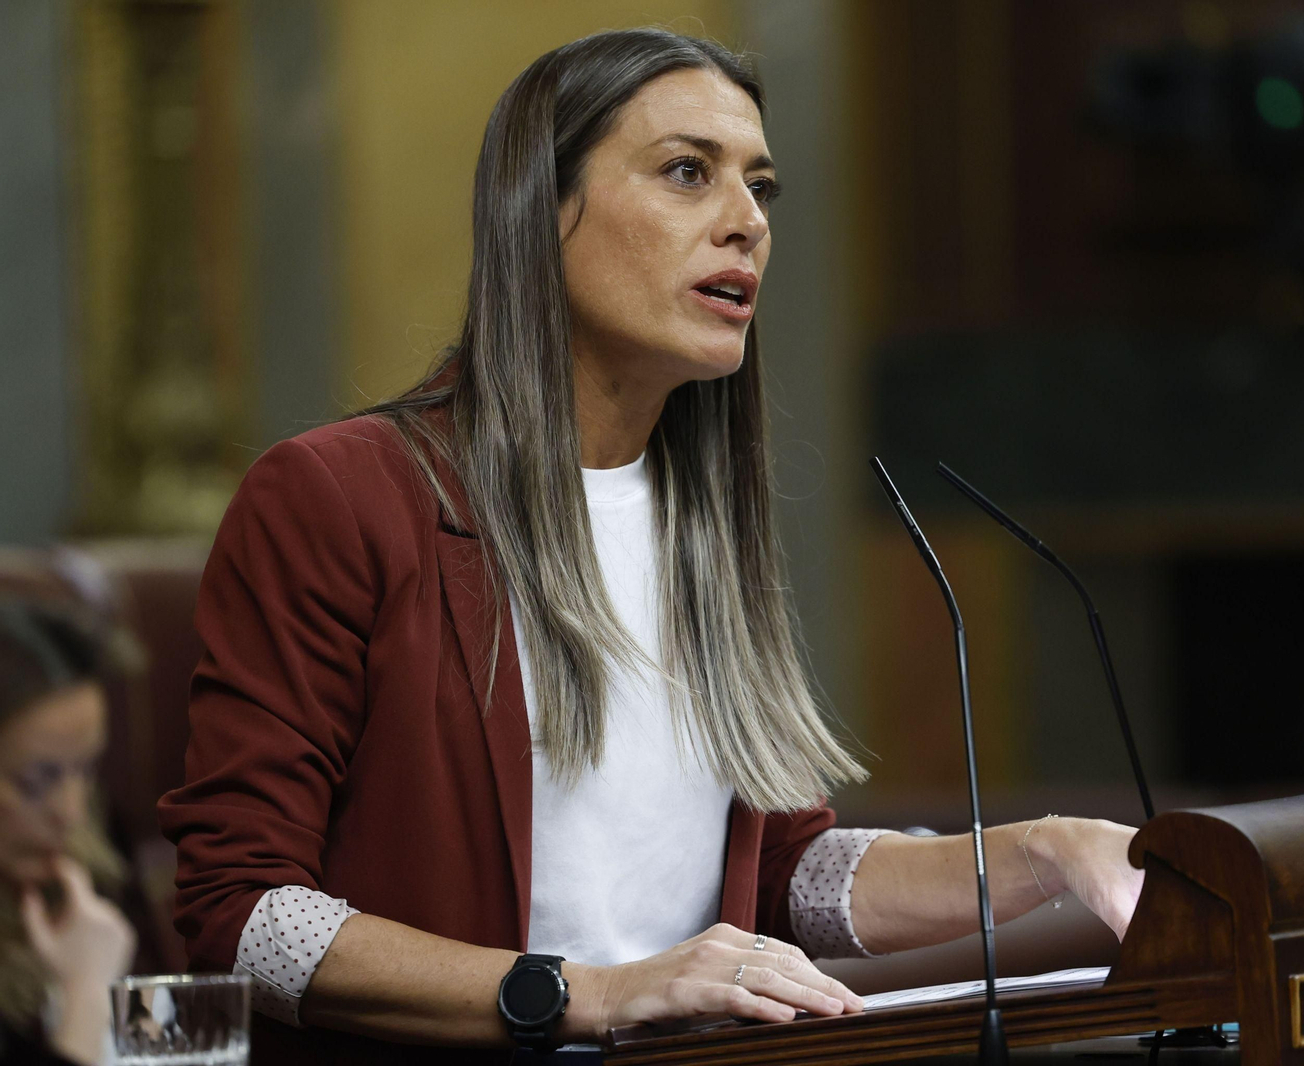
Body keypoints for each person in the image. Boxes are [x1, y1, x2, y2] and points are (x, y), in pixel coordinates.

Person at [157, 28, 1145, 1064]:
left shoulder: (706, 520)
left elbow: (781, 874)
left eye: (761, 187)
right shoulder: (340, 496)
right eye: (688, 173)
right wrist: (589, 993)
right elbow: (247, 916)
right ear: (539, 211)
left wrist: (1041, 851)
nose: (747, 222)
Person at [0, 599, 136, 1065]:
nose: (72, 813)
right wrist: (86, 995)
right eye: (37, 780)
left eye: (85, 769)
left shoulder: (76, 877)